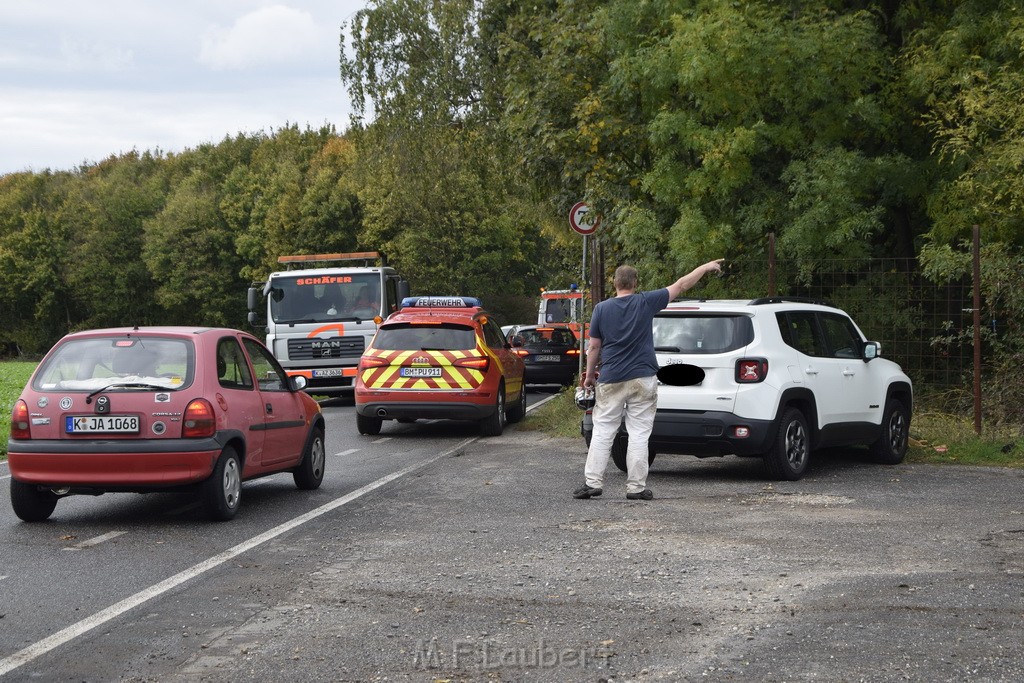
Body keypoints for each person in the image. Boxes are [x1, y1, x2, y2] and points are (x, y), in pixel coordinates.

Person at [574, 259, 723, 501]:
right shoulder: (646, 301)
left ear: (615, 284)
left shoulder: (601, 309)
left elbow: (593, 347)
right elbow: (682, 285)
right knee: (639, 433)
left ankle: (592, 483)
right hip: (643, 377)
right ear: (635, 283)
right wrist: (705, 267)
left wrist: (590, 376)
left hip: (611, 377)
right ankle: (636, 488)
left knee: (602, 431)